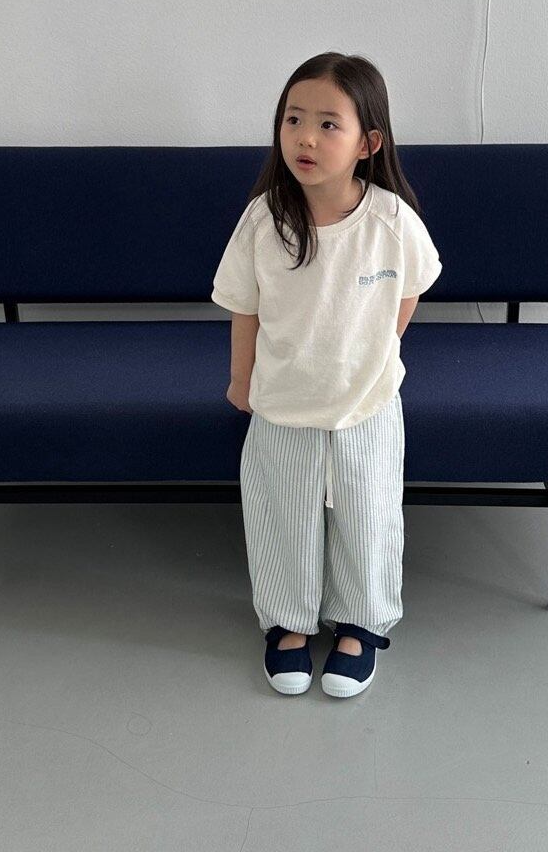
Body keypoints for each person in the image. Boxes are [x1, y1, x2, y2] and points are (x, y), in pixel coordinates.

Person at [210, 51, 443, 698]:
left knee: (367, 515)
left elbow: (409, 291)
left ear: (369, 142)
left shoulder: (391, 221)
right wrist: (241, 380)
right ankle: (287, 622)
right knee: (281, 515)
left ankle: (360, 625)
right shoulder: (264, 219)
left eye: (327, 124)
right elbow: (244, 306)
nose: (305, 138)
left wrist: (378, 351)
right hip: (283, 401)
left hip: (367, 403)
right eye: (293, 119)